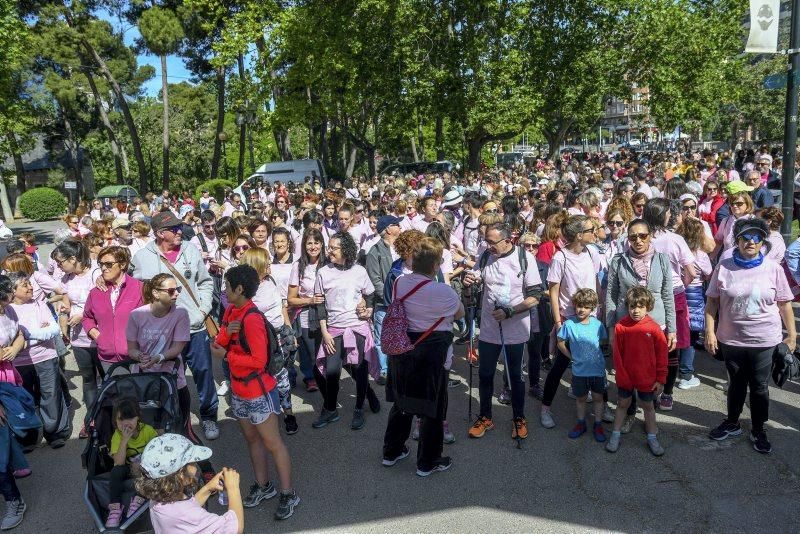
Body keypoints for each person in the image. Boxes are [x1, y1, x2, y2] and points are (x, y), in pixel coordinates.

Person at [210, 265, 299, 519]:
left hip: (259, 392)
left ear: (240, 289)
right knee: (252, 440)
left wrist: (227, 355)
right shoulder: (231, 311)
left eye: (227, 287)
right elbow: (219, 341)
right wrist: (227, 335)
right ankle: (264, 486)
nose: (224, 291)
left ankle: (288, 493)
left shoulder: (252, 318)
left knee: (273, 443)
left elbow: (258, 361)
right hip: (239, 391)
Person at [705, 218, 796, 454]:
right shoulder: (724, 266)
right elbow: (712, 301)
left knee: (759, 387)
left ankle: (758, 429)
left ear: (763, 241)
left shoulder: (773, 268)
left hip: (764, 340)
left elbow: (785, 304)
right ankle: (732, 422)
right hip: (731, 339)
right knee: (736, 383)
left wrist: (792, 336)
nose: (751, 242)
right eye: (746, 237)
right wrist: (709, 332)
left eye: (756, 237)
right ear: (737, 240)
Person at [131, 211, 219, 441]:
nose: (181, 231)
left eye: (180, 227)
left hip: (195, 326)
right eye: (175, 229)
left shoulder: (190, 249)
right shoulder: (141, 257)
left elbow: (205, 282)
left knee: (203, 373)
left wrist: (203, 309)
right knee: (166, 377)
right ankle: (172, 421)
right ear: (160, 233)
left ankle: (209, 415)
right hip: (164, 332)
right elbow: (133, 289)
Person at [382, 237, 464, 476]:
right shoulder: (443, 292)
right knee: (432, 408)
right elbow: (458, 314)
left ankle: (392, 451)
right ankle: (427, 461)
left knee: (401, 403)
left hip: (403, 349)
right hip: (432, 353)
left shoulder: (400, 282)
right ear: (436, 265)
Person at [465, 224, 541, 440]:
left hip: (515, 329)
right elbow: (476, 280)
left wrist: (510, 311)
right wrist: (469, 281)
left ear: (508, 240)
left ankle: (519, 418)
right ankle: (485, 417)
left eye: (492, 242)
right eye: (486, 241)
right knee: (486, 374)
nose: (488, 246)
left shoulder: (525, 258)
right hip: (489, 328)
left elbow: (536, 296)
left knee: (514, 376)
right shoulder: (485, 256)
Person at [539, 215, 607, 429]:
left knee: (596, 363)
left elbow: (595, 279)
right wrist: (558, 320)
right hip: (570, 319)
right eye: (590, 229)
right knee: (561, 364)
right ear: (579, 235)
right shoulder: (561, 258)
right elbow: (554, 290)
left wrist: (602, 304)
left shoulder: (591, 252)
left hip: (592, 317)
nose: (594, 233)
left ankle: (602, 408)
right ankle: (545, 409)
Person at [312, 232, 380, 430]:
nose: (329, 251)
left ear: (346, 250)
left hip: (357, 327)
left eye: (334, 248)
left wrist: (367, 308)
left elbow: (370, 294)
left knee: (360, 370)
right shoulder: (323, 272)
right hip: (333, 329)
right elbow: (320, 305)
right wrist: (324, 332)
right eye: (330, 247)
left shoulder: (359, 271)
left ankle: (359, 408)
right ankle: (330, 409)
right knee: (331, 371)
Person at [6, 272, 71, 449]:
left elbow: (53, 330)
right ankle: (27, 436)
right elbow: (9, 338)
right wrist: (38, 333)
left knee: (50, 396)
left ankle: (55, 432)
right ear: (13, 290)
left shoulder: (40, 303)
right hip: (19, 362)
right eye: (24, 284)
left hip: (46, 356)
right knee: (25, 399)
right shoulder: (7, 310)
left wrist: (26, 337)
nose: (30, 287)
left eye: (29, 283)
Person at [239, 248, 299, 435]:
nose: (270, 266)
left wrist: (289, 329)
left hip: (280, 336)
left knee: (282, 378)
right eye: (266, 263)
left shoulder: (270, 280)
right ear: (257, 266)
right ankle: (267, 416)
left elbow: (281, 305)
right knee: (264, 379)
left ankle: (288, 413)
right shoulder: (245, 291)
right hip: (260, 341)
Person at [137, 434, 244, 534]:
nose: (196, 465)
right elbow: (235, 528)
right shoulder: (187, 515)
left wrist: (208, 488)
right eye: (192, 463)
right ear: (180, 475)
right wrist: (233, 488)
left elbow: (187, 507)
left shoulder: (158, 497)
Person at [606, 287, 668, 456]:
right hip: (626, 377)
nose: (636, 310)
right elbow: (617, 356)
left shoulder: (655, 328)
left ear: (648, 307)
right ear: (628, 306)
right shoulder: (621, 327)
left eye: (640, 306)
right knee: (622, 404)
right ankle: (615, 434)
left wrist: (661, 379)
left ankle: (652, 436)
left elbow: (662, 355)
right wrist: (621, 376)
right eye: (632, 306)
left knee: (648, 406)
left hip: (647, 378)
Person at [126, 273, 191, 422]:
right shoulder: (136, 315)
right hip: (144, 378)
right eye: (171, 290)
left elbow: (178, 347)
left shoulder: (181, 313)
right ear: (155, 293)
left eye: (178, 289)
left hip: (172, 376)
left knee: (179, 421)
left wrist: (159, 357)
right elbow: (131, 349)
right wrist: (139, 356)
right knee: (149, 424)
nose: (177, 293)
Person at [557, 289, 608, 443]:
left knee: (599, 398)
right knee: (581, 399)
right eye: (579, 305)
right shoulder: (569, 324)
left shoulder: (598, 325)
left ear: (592, 308)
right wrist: (571, 356)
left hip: (597, 371)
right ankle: (581, 423)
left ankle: (598, 424)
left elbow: (603, 343)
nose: (581, 309)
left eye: (586, 306)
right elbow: (560, 342)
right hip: (579, 371)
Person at [83, 247, 144, 371]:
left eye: (109, 264)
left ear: (122, 264)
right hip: (108, 358)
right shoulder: (95, 292)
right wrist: (97, 336)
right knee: (116, 390)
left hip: (138, 357)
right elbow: (87, 317)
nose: (104, 268)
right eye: (101, 264)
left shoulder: (140, 288)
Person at [105, 397, 159, 528]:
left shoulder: (147, 431)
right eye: (121, 419)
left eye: (129, 418)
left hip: (145, 467)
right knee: (115, 472)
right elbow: (118, 462)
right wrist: (124, 440)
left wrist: (142, 464)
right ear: (115, 421)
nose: (125, 423)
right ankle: (115, 509)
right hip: (126, 467)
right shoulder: (117, 435)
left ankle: (138, 499)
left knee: (150, 471)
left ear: (138, 418)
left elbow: (158, 453)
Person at [675, 217, 712, 389]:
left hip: (677, 292)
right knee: (691, 336)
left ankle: (672, 367)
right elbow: (708, 273)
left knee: (675, 331)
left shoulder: (677, 252)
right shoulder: (701, 255)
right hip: (695, 295)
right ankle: (686, 374)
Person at [287, 229, 325, 393]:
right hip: (305, 312)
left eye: (316, 242)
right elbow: (291, 298)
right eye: (309, 243)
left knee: (324, 348)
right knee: (308, 350)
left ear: (322, 244)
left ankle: (325, 377)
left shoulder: (329, 263)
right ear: (304, 246)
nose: (313, 246)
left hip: (327, 312)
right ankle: (310, 377)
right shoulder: (298, 265)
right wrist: (309, 300)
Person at [366, 215, 402, 384]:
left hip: (402, 302)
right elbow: (374, 280)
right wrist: (391, 296)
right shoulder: (375, 251)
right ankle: (384, 370)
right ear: (388, 229)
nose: (400, 227)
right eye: (397, 224)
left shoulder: (402, 249)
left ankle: (397, 368)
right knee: (381, 339)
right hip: (384, 304)